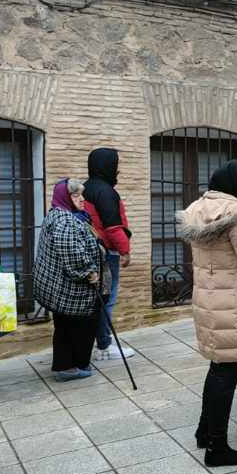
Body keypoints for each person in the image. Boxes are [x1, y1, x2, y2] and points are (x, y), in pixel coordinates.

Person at [178, 161, 237, 467]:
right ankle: (217, 448)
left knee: (218, 368)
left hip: (210, 302)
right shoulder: (236, 215)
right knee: (227, 374)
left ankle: (205, 432)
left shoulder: (199, 209)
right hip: (232, 305)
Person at [34, 179, 106, 382]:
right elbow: (72, 253)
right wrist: (89, 272)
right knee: (78, 326)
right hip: (70, 288)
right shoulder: (66, 220)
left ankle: (67, 365)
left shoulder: (62, 214)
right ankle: (70, 367)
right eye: (76, 195)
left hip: (60, 287)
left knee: (65, 326)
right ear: (66, 198)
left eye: (81, 195)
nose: (82, 199)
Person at [83, 147, 135, 361]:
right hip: (106, 253)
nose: (118, 170)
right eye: (116, 165)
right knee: (107, 298)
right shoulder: (105, 192)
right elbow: (113, 226)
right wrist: (125, 251)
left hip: (90, 250)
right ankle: (104, 344)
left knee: (95, 299)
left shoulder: (85, 188)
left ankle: (94, 342)